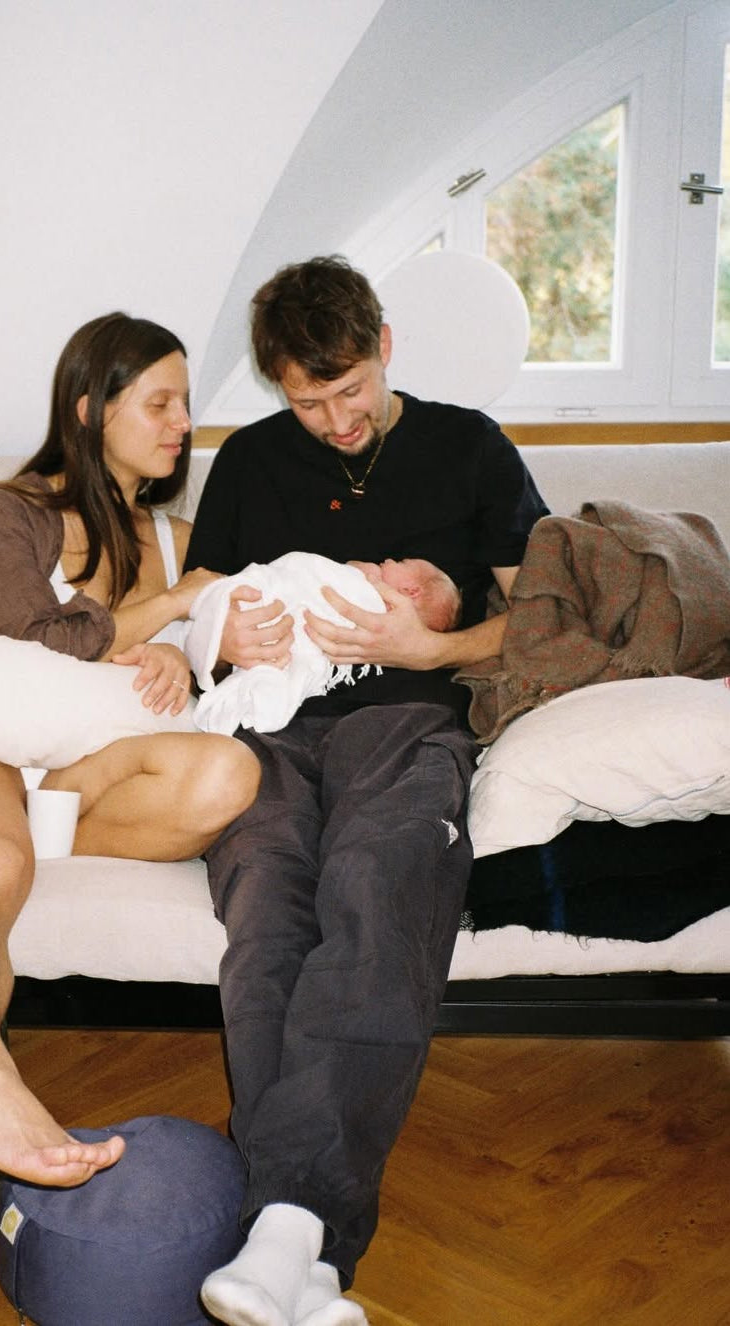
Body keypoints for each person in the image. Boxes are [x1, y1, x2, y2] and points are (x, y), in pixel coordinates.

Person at [184, 256, 548, 1326]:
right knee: (264, 918)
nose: (335, 422)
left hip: (406, 721)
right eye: (308, 402)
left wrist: (425, 647)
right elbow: (198, 613)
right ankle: (310, 1262)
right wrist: (222, 637)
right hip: (272, 729)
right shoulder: (250, 462)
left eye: (348, 392)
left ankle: (287, 1225)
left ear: (383, 345)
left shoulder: (468, 446)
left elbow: (535, 621)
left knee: (379, 887)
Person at [0, 312, 259, 1190]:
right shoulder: (0, 517)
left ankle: (44, 823)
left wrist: (182, 652)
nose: (182, 423)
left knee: (226, 777)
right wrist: (164, 611)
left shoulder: (181, 540)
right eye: (158, 402)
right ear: (88, 410)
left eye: (186, 404)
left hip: (81, 780)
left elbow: (232, 664)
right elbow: (28, 634)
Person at [186, 554, 461, 736]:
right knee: (287, 659)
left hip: (302, 637)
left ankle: (256, 695)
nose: (388, 559)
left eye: (402, 562)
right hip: (287, 602)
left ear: (411, 592)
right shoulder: (363, 575)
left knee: (294, 664)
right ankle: (253, 692)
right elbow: (312, 572)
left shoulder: (378, 600)